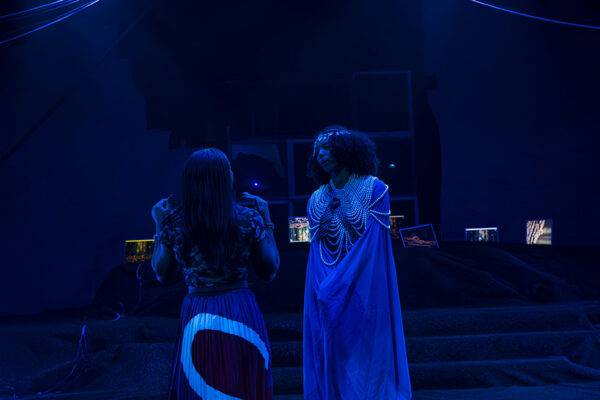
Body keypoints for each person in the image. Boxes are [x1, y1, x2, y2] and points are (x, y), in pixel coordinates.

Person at [151, 148, 279, 400]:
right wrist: (267, 220)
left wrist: (159, 224)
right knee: (240, 381)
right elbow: (270, 269)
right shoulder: (249, 217)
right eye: (229, 170)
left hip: (197, 310)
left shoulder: (175, 222)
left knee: (200, 382)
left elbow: (161, 273)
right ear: (224, 178)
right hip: (239, 308)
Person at [303, 126, 412, 399]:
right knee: (333, 353)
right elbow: (316, 254)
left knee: (366, 355)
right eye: (317, 150)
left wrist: (343, 284)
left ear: (346, 150)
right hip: (328, 291)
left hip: (364, 289)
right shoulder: (316, 199)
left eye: (327, 148)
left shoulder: (374, 189)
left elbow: (374, 249)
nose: (321, 155)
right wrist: (323, 290)